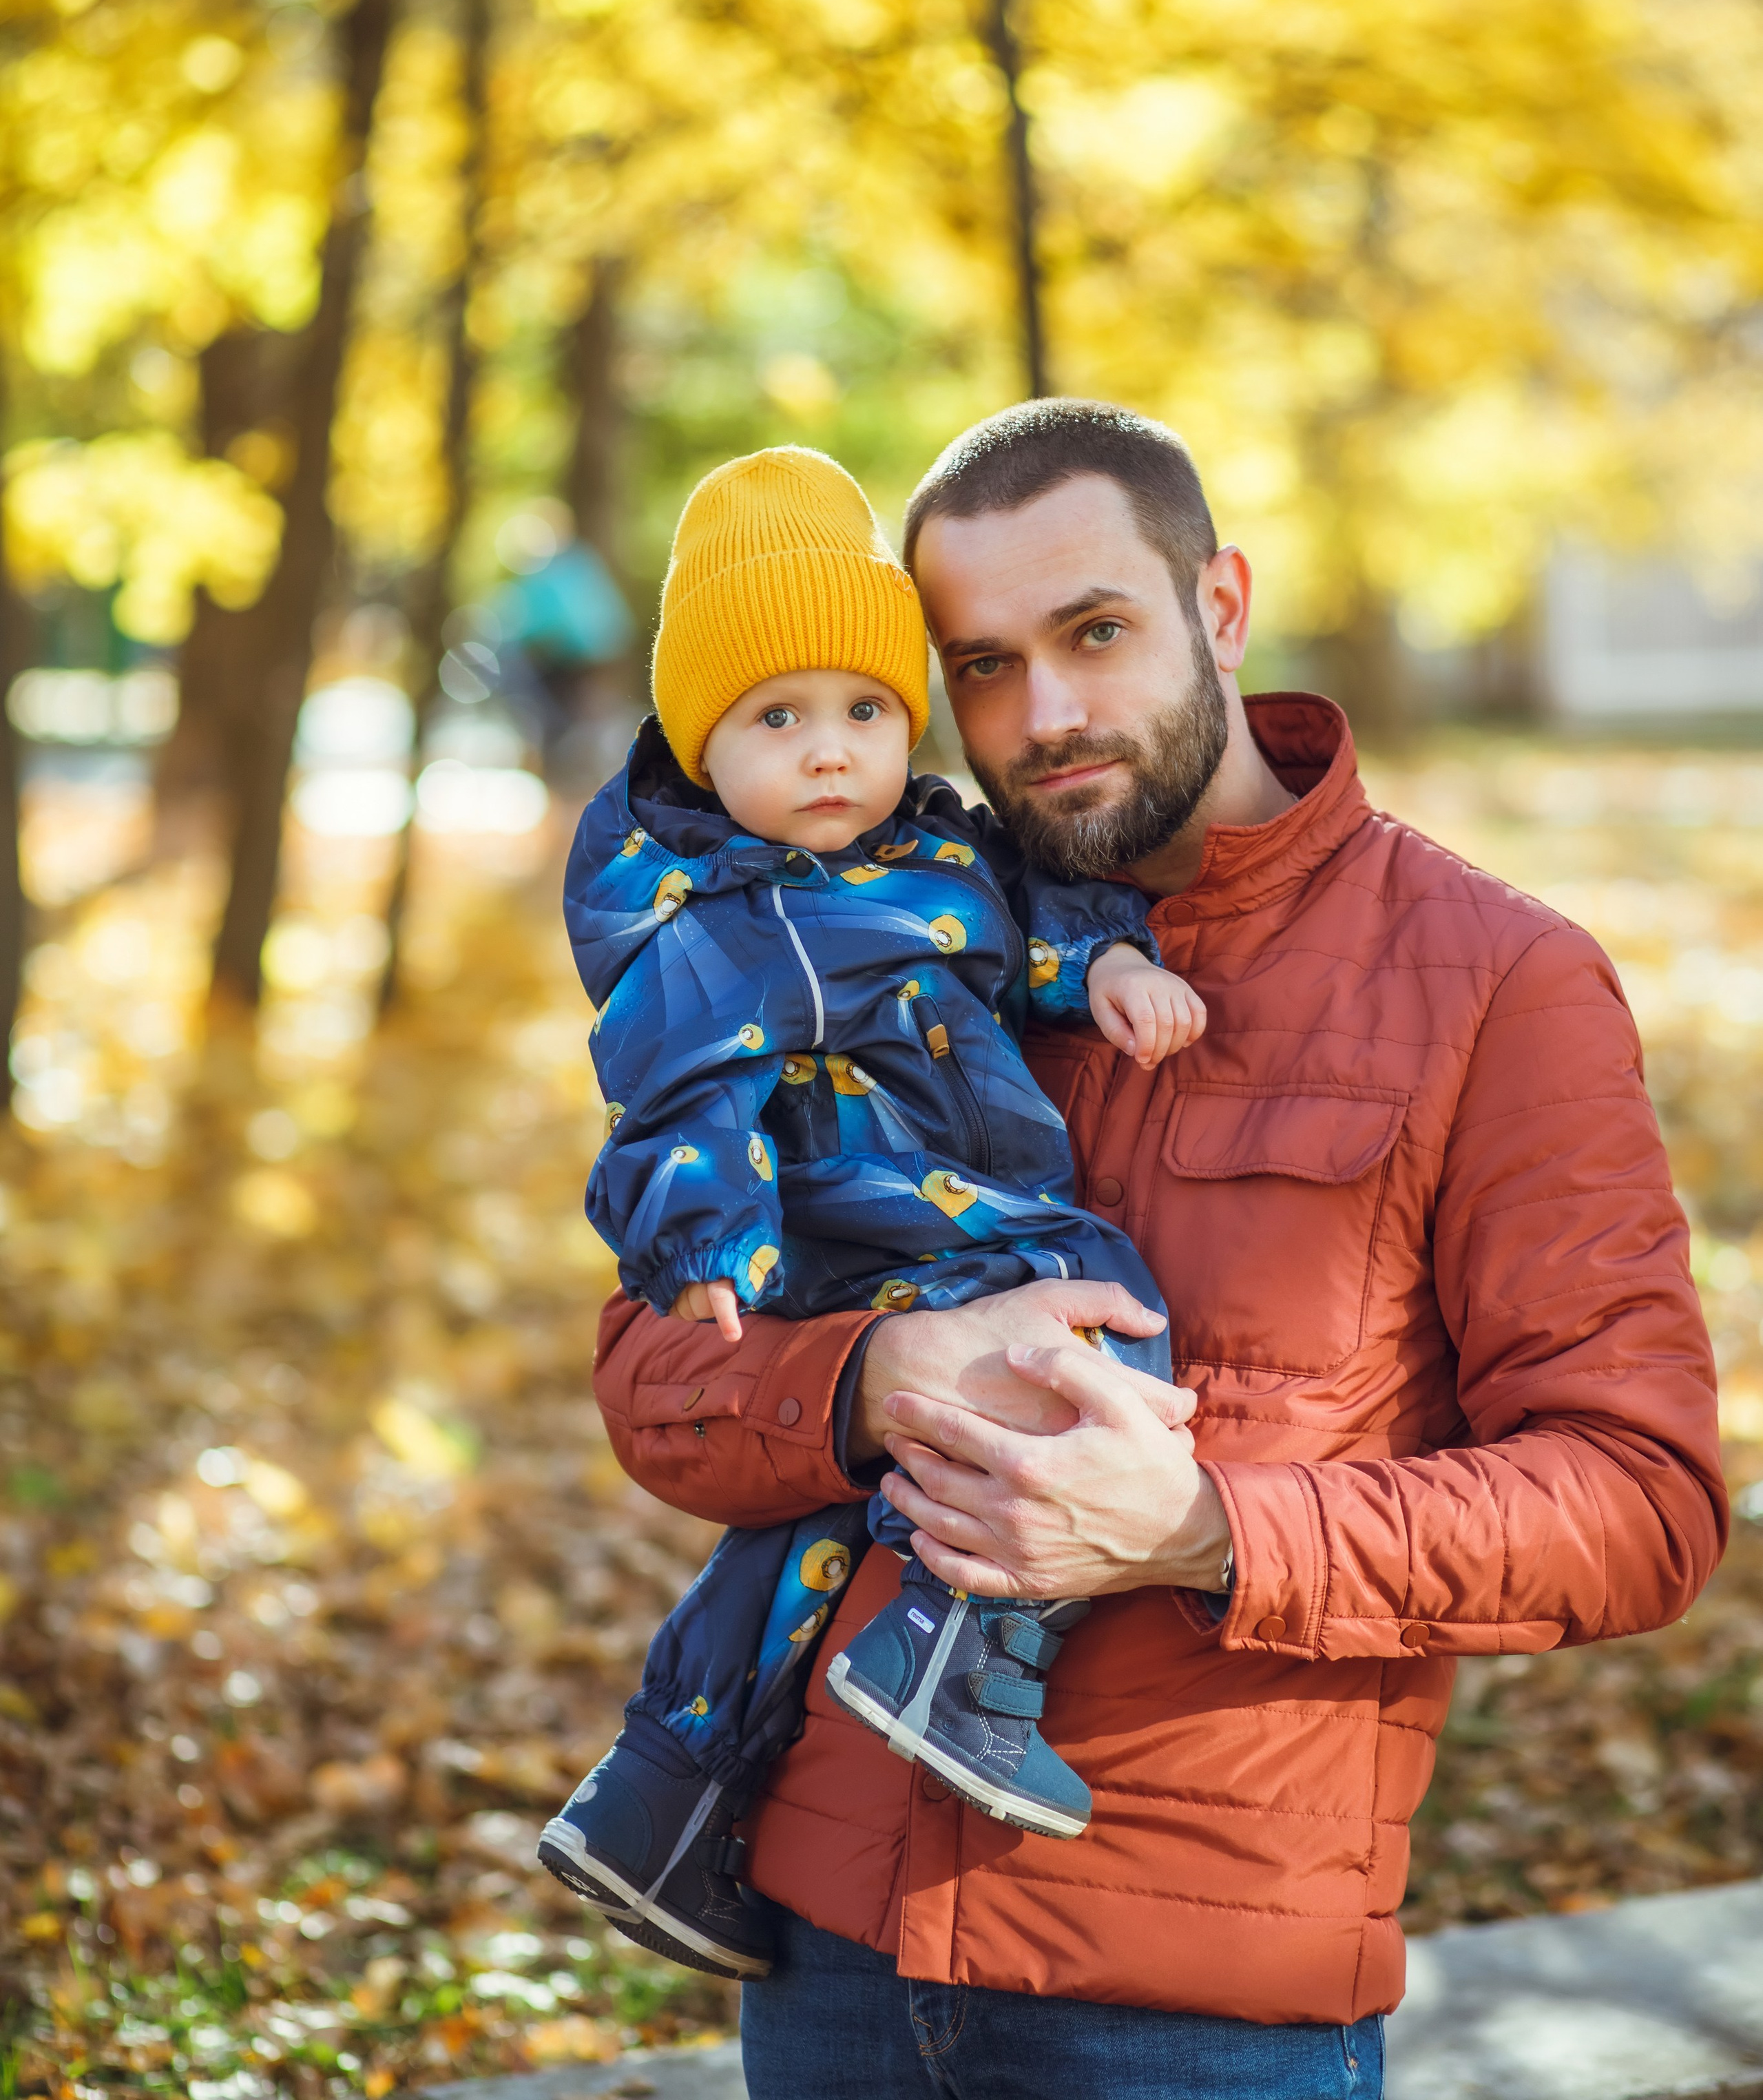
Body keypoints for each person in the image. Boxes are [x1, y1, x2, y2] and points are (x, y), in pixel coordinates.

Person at [592, 399, 1728, 2100]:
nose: (1040, 717)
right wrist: (869, 1381)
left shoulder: (1495, 984)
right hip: (827, 1960)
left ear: (1219, 606)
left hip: (1189, 2011)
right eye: (978, 666)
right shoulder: (884, 924)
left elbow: (1639, 1503)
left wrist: (1202, 1532)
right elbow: (651, 1384)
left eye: (1096, 633)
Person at [538, 446, 1207, 1979]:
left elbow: (1023, 937)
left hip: (950, 1203)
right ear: (704, 750)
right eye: (776, 720)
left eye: (864, 711)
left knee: (808, 1540)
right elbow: (674, 1090)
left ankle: (656, 1803)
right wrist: (705, 1239)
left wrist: (1101, 969)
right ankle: (964, 1651)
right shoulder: (728, 916)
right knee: (1108, 1314)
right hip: (871, 1224)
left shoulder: (938, 847)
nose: (830, 752)